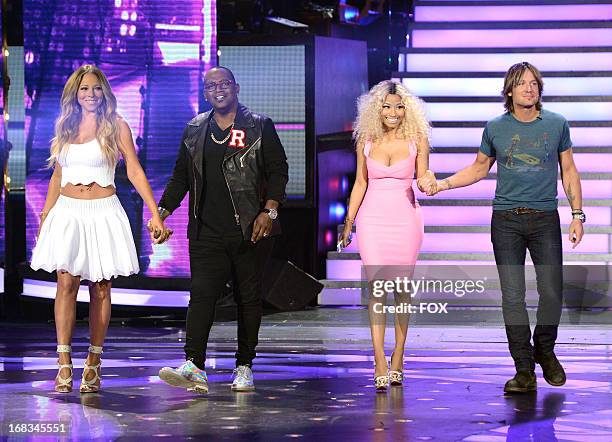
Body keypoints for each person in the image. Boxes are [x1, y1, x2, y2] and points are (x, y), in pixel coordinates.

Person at [424, 62, 584, 393]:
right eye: (522, 84)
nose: (530, 88)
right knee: (513, 296)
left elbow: (569, 170)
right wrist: (443, 185)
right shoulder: (495, 127)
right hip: (507, 221)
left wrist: (577, 215)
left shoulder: (556, 124)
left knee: (552, 292)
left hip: (544, 219)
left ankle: (545, 349)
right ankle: (523, 368)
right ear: (509, 90)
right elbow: (479, 168)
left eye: (535, 83)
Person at [30, 65, 167, 393]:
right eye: (84, 89)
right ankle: (64, 363)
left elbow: (133, 169)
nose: (90, 94)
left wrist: (155, 214)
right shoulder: (65, 126)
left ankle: (94, 361)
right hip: (68, 212)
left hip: (103, 211)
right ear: (75, 94)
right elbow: (57, 176)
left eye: (95, 88)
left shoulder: (116, 125)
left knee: (101, 287)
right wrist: (46, 215)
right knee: (66, 284)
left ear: (104, 92)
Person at [154, 66, 288, 394]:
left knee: (247, 297)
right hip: (206, 230)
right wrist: (162, 213)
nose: (219, 89)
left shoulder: (259, 126)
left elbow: (278, 171)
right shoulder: (195, 129)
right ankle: (194, 365)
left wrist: (268, 212)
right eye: (211, 85)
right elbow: (180, 178)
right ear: (205, 92)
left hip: (248, 228)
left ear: (236, 88)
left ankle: (244, 365)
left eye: (224, 83)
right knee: (201, 295)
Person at [338, 80, 434, 391]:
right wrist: (349, 221)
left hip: (405, 218)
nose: (393, 112)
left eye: (399, 106)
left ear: (408, 110)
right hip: (373, 219)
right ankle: (379, 358)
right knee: (377, 290)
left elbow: (422, 177)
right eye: (387, 106)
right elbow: (360, 184)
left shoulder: (417, 138)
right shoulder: (365, 139)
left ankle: (399, 356)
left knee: (402, 291)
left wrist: (430, 182)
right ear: (376, 109)